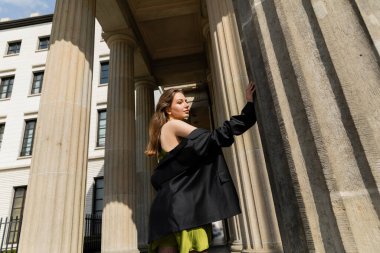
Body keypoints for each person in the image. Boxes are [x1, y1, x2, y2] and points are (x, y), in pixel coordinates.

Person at [145, 82, 256, 253]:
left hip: (165, 209)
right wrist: (249, 109)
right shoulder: (173, 125)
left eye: (185, 101)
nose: (186, 105)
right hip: (186, 210)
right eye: (180, 102)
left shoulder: (162, 132)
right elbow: (212, 138)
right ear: (168, 109)